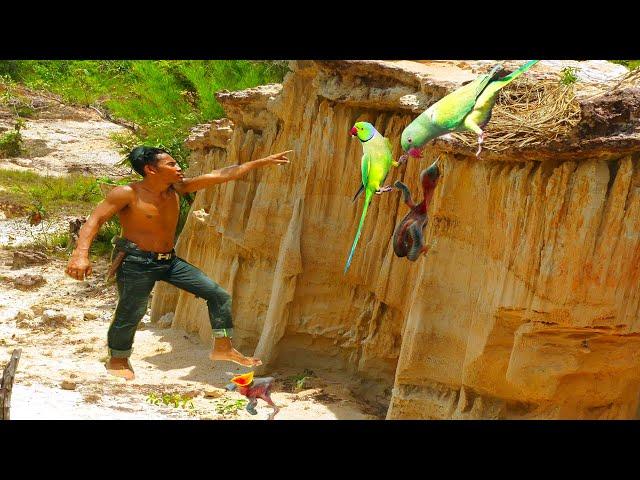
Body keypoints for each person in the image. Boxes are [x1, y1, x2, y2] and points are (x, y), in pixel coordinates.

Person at [65, 146, 291, 380]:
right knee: (132, 309)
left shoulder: (177, 188)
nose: (179, 167)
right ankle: (118, 359)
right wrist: (80, 254)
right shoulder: (127, 193)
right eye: (171, 165)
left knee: (217, 294)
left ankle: (222, 347)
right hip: (135, 261)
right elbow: (95, 220)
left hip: (169, 261)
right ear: (150, 169)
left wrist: (260, 162)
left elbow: (221, 174)